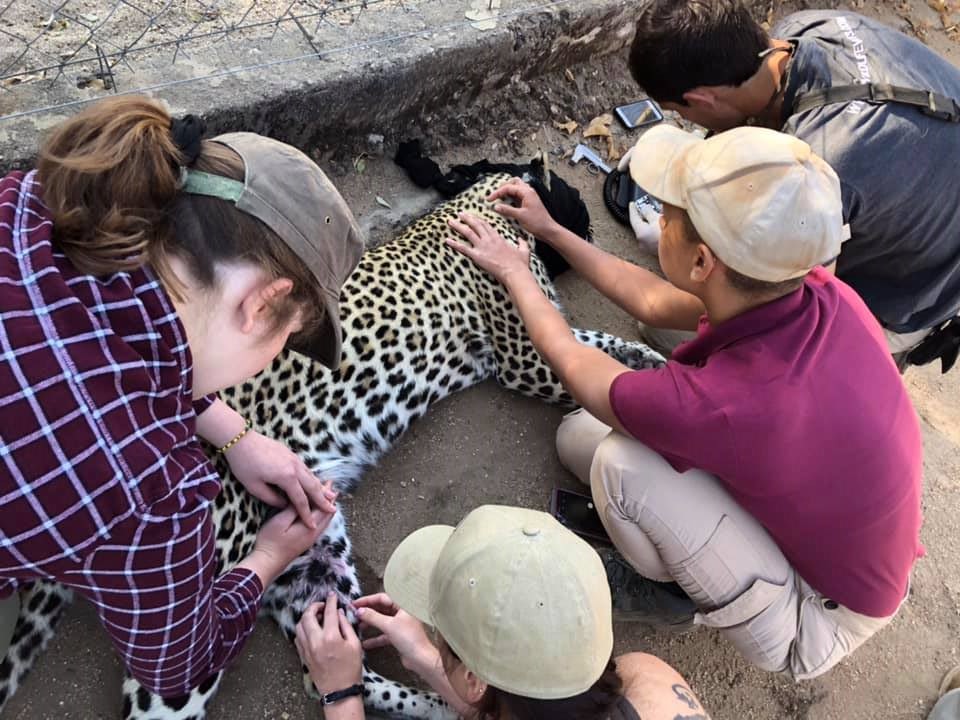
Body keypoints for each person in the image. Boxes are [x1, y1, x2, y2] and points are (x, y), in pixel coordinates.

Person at [443, 125, 923, 681]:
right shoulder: (810, 289)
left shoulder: (729, 403)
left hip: (816, 618)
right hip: (842, 540)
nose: (658, 220)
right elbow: (650, 297)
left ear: (702, 263)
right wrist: (551, 232)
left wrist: (512, 269)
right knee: (577, 438)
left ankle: (671, 594)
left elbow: (573, 363)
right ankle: (696, 556)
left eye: (665, 215)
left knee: (621, 466)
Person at [0, 95, 363, 696]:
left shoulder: (34, 200)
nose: (276, 357)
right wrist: (267, 557)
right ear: (263, 304)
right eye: (289, 339)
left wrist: (235, 432)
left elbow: (111, 347)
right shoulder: (151, 491)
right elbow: (177, 663)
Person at [623, 1, 960, 370]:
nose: (685, 120)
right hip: (924, 193)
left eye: (680, 112)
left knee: (688, 336)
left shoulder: (822, 166)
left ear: (703, 98)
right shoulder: (805, 30)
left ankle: (854, 367)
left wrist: (675, 249)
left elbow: (781, 303)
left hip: (911, 291)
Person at [294, 504, 712, 720]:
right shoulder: (648, 679)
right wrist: (426, 657)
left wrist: (341, 693)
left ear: (474, 680)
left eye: (441, 636)